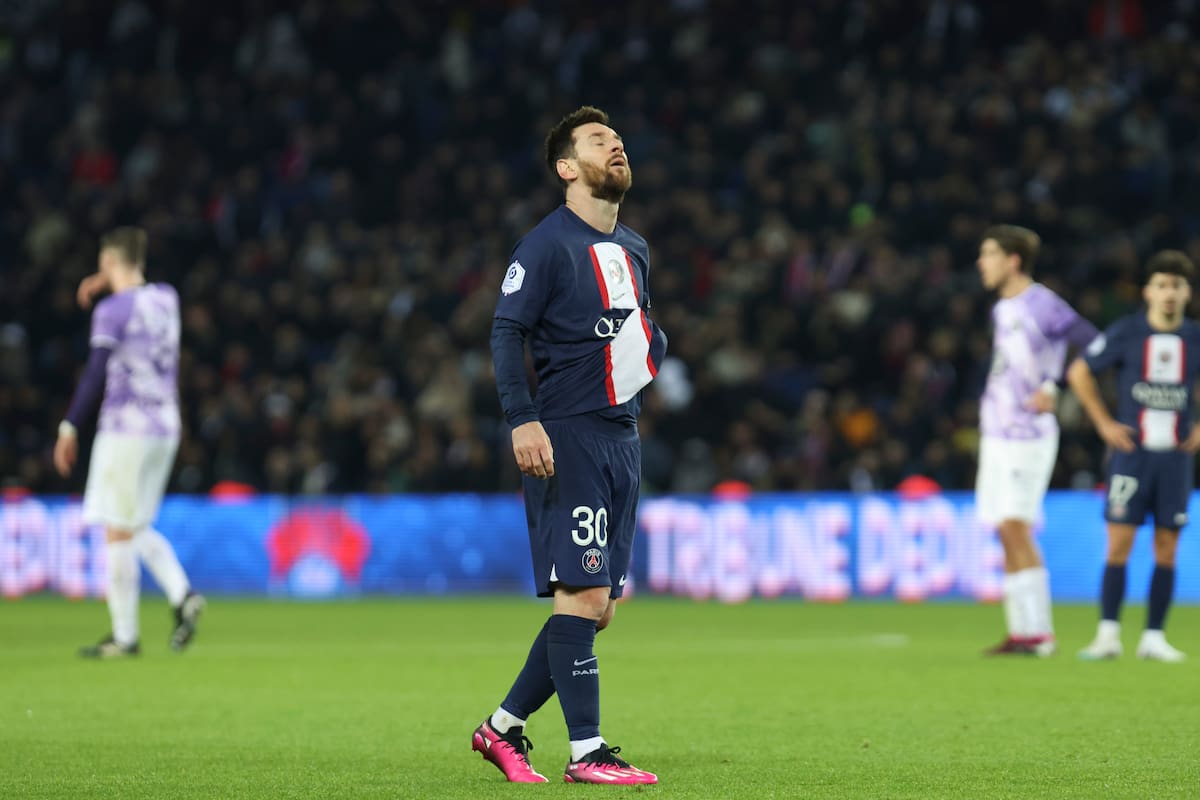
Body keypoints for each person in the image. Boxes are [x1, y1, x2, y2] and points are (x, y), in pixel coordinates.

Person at [472, 107, 665, 785]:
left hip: (622, 437)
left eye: (617, 139)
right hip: (568, 434)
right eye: (597, 141)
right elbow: (505, 331)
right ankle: (589, 752)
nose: (615, 146)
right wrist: (523, 418)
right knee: (580, 597)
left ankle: (500, 730)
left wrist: (652, 348)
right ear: (566, 168)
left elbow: (640, 325)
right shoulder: (545, 246)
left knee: (598, 609)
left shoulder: (635, 247)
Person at [54, 227, 205, 658]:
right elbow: (135, 283)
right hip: (166, 426)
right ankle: (182, 595)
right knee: (134, 523)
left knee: (116, 527)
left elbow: (95, 371)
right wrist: (108, 278)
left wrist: (69, 426)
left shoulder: (111, 312)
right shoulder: (167, 298)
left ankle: (125, 637)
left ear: (106, 264)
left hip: (126, 427)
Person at [1069, 250, 1200, 662]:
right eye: (1161, 285)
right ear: (1148, 291)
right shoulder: (1128, 332)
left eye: (1176, 286)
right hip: (1132, 456)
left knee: (1166, 547)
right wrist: (1104, 424)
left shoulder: (1195, 337)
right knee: (1119, 543)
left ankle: (1154, 637)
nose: (1169, 294)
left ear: (1187, 293)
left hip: (1176, 460)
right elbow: (1079, 371)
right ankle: (1107, 635)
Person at [975, 225, 1099, 656]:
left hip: (1027, 434)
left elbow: (1093, 343)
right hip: (996, 432)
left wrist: (1055, 386)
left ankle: (1040, 633)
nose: (981, 262)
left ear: (1013, 260)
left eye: (988, 254)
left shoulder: (1041, 303)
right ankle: (1021, 631)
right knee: (1003, 528)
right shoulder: (1002, 308)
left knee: (1015, 524)